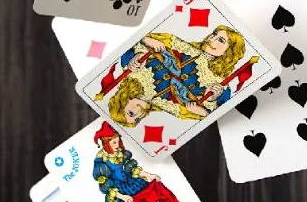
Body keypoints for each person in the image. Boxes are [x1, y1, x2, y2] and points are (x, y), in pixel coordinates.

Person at [100, 26, 258, 127]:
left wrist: (145, 45)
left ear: (121, 103)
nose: (211, 39)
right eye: (138, 118)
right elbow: (212, 114)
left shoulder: (130, 70)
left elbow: (136, 38)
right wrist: (208, 103)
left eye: (131, 113)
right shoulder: (164, 105)